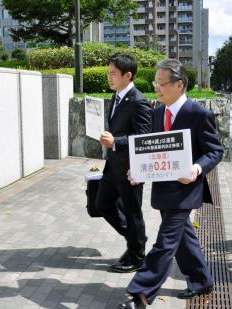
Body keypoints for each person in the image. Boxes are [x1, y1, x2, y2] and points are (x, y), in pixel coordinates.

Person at [118, 59, 224, 309]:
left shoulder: (199, 114)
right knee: (183, 237)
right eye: (156, 82)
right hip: (163, 190)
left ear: (179, 84)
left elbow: (215, 151)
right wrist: (138, 171)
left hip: (186, 190)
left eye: (161, 83)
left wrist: (196, 169)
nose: (156, 87)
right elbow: (152, 152)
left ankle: (141, 294)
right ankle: (202, 280)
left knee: (165, 242)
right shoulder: (157, 113)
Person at [96, 53, 153, 273]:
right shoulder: (117, 96)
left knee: (132, 212)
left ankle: (137, 256)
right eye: (108, 73)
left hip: (131, 168)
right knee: (102, 204)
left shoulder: (139, 102)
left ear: (127, 75)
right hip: (113, 166)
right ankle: (136, 238)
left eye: (113, 74)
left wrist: (115, 142)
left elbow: (144, 137)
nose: (109, 78)